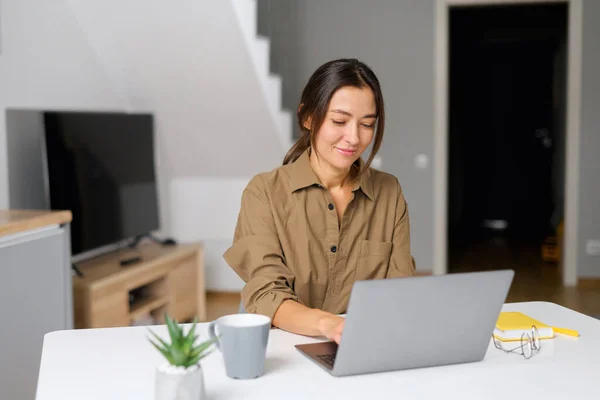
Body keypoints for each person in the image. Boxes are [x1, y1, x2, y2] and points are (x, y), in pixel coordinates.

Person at [223, 58, 415, 344]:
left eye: (366, 124)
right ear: (308, 117)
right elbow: (266, 294)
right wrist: (330, 325)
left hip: (361, 343)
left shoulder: (389, 191)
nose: (353, 138)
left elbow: (400, 291)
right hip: (285, 345)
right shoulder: (264, 192)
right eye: (339, 121)